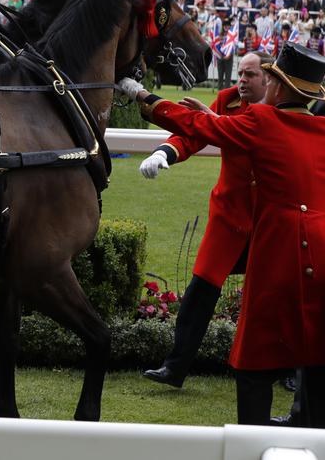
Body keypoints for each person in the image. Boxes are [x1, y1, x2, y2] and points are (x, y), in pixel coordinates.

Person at [120, 42, 325, 427]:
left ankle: (255, 440)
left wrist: (141, 94)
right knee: (317, 355)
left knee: (255, 362)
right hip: (318, 246)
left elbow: (199, 126)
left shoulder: (263, 120)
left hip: (277, 244)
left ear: (278, 87)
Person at [140, 52, 270, 388]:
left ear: (269, 78)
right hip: (230, 218)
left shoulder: (283, 109)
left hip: (270, 222)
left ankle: (290, 373)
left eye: (250, 75)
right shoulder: (226, 101)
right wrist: (164, 152)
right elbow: (194, 133)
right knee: (200, 292)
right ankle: (175, 368)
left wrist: (212, 119)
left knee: (275, 300)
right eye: (239, 73)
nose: (241, 80)